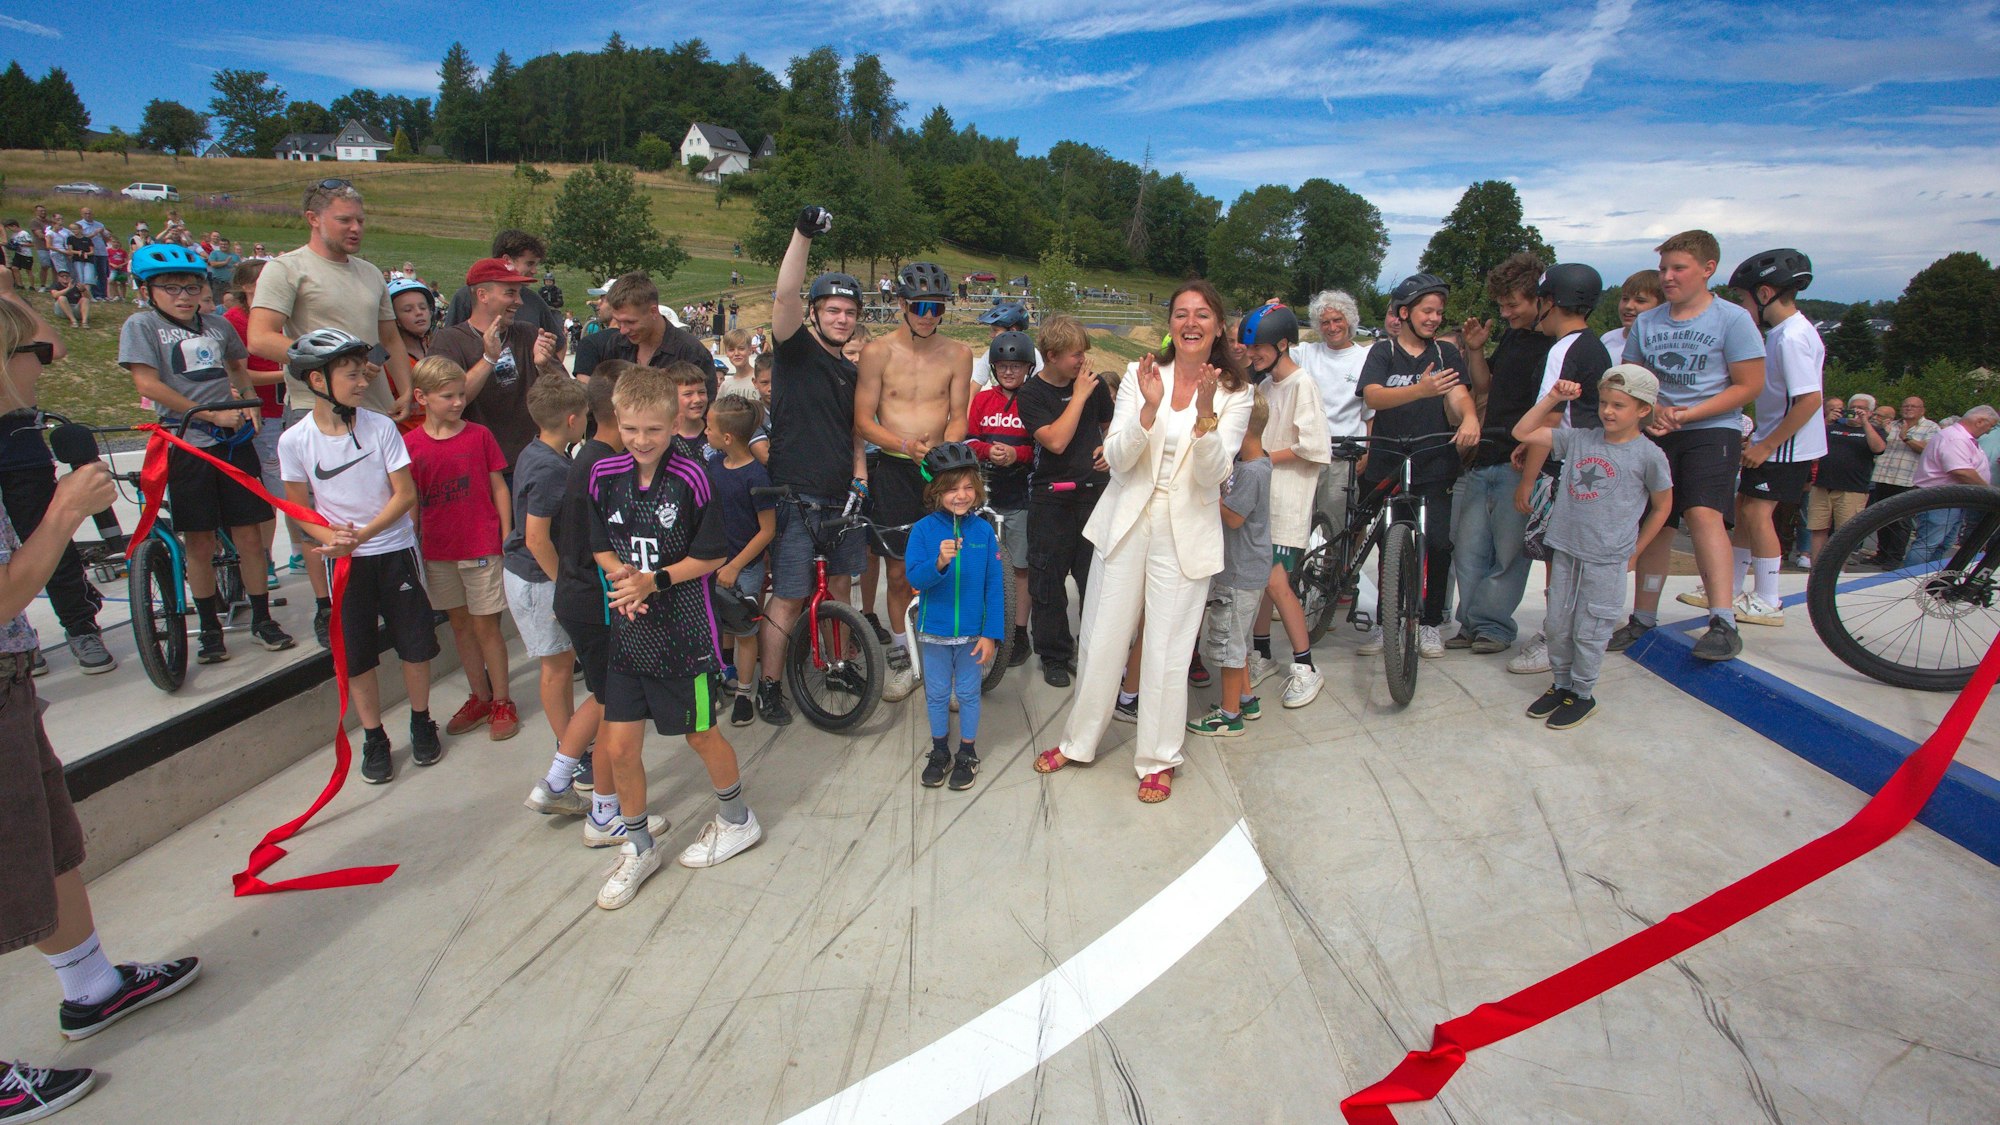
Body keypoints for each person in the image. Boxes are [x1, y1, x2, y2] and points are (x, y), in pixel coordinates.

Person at [0, 431, 201, 1121]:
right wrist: (63, 513)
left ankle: (93, 986)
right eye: (28, 352)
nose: (42, 365)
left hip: (8, 678)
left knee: (52, 844)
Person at [1034, 280, 1253, 805]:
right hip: (1127, 521)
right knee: (1102, 636)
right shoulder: (1140, 374)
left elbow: (1214, 475)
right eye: (1181, 313)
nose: (1191, 323)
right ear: (1170, 324)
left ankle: (1157, 758)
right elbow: (1118, 456)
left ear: (1218, 326)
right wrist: (1150, 411)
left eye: (1203, 314)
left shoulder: (1235, 392)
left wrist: (1204, 418)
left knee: (1167, 651)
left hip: (1185, 531)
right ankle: (1079, 740)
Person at [588, 367, 761, 911]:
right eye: (632, 429)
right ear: (618, 420)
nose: (642, 441)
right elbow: (599, 542)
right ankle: (639, 845)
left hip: (685, 633)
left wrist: (654, 580)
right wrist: (624, 580)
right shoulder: (603, 474)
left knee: (701, 735)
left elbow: (711, 555)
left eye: (654, 431)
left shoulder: (692, 478)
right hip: (630, 630)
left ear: (674, 423)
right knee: (617, 748)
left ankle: (737, 820)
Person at [279, 329, 441, 784]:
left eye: (361, 373)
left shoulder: (380, 426)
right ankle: (373, 736)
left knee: (415, 645)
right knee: (358, 655)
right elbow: (297, 506)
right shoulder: (295, 440)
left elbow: (404, 494)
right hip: (345, 562)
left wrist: (362, 535)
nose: (360, 382)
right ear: (316, 381)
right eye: (350, 375)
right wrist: (330, 538)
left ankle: (421, 719)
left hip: (392, 550)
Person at [119, 244, 292, 662]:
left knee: (250, 535)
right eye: (170, 287)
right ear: (148, 290)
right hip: (187, 442)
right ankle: (209, 628)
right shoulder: (141, 326)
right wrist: (210, 415)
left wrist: (248, 398)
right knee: (198, 542)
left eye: (192, 286)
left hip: (232, 440)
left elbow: (237, 367)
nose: (183, 295)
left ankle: (261, 617)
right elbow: (148, 384)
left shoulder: (216, 325)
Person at [1613, 230, 1767, 663]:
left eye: (1678, 268)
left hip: (1711, 429)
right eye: (1663, 269)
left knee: (1702, 513)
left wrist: (1689, 413)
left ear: (1707, 269)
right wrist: (1655, 407)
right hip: (1657, 428)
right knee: (1655, 522)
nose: (1668, 277)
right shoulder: (1648, 322)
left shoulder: (1732, 319)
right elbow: (1632, 376)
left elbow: (1749, 384)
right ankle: (1642, 615)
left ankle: (1722, 619)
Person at [755, 207, 868, 727]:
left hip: (841, 498)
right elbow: (783, 298)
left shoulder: (851, 372)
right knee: (791, 596)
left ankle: (840, 664)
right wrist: (801, 233)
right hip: (796, 497)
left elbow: (855, 434)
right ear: (817, 314)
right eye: (832, 310)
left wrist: (860, 478)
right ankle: (771, 687)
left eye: (849, 312)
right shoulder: (794, 352)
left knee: (842, 590)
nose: (841, 319)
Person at [1512, 366, 1674, 728]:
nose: (1608, 411)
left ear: (1644, 409)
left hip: (1606, 559)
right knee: (1557, 624)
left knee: (1591, 629)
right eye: (1604, 403)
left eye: (1619, 405)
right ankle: (1561, 683)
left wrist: (1636, 551)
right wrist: (1553, 397)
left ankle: (1582, 693)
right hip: (1567, 548)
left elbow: (1663, 506)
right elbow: (1522, 432)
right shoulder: (1580, 439)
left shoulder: (1649, 456)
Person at [539, 359, 653, 845]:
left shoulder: (588, 455)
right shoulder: (606, 466)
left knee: (604, 696)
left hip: (578, 597)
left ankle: (559, 777)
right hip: (598, 601)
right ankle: (605, 814)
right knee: (619, 710)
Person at [854, 260, 974, 703]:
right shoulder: (877, 353)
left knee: (951, 568)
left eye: (938, 308)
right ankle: (905, 660)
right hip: (895, 467)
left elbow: (958, 414)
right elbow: (863, 421)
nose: (928, 314)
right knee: (900, 572)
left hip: (939, 470)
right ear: (902, 303)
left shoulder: (959, 353)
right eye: (921, 305)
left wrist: (947, 455)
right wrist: (905, 444)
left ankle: (950, 664)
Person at [1699, 250, 1827, 627]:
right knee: (1744, 508)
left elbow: (1809, 400)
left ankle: (1768, 598)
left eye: (1743, 297)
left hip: (1786, 445)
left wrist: (1768, 444)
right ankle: (1734, 587)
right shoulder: (1782, 333)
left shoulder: (1791, 337)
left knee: (1757, 513)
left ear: (1766, 293)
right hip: (1775, 438)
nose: (1741, 305)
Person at [1358, 273, 1481, 658]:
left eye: (1439, 312)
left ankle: (1429, 623)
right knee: (1387, 540)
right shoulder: (1383, 352)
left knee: (1438, 543)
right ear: (1405, 312)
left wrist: (1471, 419)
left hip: (1433, 460)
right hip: (1388, 460)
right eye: (1427, 310)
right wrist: (1420, 390)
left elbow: (1459, 395)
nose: (1434, 318)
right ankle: (1385, 622)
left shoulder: (1445, 354)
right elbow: (1375, 396)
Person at [1504, 264, 1613, 674]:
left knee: (1557, 559)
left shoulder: (1563, 349)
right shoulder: (1593, 346)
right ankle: (1563, 632)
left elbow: (1550, 419)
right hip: (1587, 463)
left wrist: (1529, 481)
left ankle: (1556, 637)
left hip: (1564, 467)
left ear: (1550, 302)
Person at [404, 356, 518, 743]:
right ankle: (480, 696)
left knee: (487, 625)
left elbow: (499, 485)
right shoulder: (411, 446)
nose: (457, 403)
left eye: (460, 395)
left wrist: (506, 532)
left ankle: (502, 699)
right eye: (447, 396)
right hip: (439, 550)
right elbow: (412, 501)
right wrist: (415, 544)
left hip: (481, 544)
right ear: (422, 397)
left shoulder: (479, 436)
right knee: (460, 624)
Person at [1450, 254, 1553, 658]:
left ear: (1540, 299)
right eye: (1502, 305)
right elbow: (1486, 388)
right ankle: (1471, 623)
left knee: (1508, 553)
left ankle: (1494, 626)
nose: (1506, 312)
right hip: (1487, 454)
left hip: (1518, 460)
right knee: (1469, 547)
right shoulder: (1511, 337)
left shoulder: (1552, 346)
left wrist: (1532, 460)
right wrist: (1475, 351)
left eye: (1514, 304)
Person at [247, 180, 415, 422]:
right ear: (313, 218)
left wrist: (406, 390)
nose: (356, 228)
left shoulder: (371, 273)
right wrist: (336, 364)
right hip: (315, 408)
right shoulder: (286, 269)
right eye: (344, 220)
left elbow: (389, 338)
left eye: (361, 220)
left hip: (375, 408)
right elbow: (260, 338)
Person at [1237, 305, 1327, 707]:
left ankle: (1306, 666)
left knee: (1274, 582)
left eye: (1258, 347)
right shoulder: (1270, 384)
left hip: (1285, 500)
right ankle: (1261, 653)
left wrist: (1264, 458)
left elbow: (1314, 445)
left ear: (1284, 344)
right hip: (1263, 500)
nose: (1252, 354)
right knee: (1259, 580)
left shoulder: (1301, 385)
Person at [1017, 314, 1113, 687]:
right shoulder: (1032, 394)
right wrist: (1080, 396)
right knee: (1047, 582)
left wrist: (1110, 448)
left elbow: (1108, 426)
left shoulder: (1094, 386)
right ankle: (1054, 654)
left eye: (1084, 354)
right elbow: (1055, 440)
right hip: (1051, 499)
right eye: (1075, 355)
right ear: (1052, 356)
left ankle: (1093, 652)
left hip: (1093, 495)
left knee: (1095, 580)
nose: (1082, 362)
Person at [906, 442, 1005, 791]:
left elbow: (995, 587)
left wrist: (991, 634)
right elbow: (915, 579)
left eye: (967, 487)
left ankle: (967, 752)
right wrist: (939, 563)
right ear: (936, 491)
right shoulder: (923, 531)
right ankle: (939, 750)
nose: (960, 495)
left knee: (968, 694)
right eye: (951, 488)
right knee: (935, 695)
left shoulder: (982, 533)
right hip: (934, 632)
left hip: (971, 636)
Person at [505, 375, 589, 766]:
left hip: (535, 576)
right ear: (573, 420)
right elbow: (537, 538)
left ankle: (571, 738)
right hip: (539, 580)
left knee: (560, 661)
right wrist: (565, 585)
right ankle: (568, 748)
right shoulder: (552, 469)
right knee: (556, 667)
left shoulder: (536, 451)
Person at [1188, 390, 1274, 737]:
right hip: (1244, 568)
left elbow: (1235, 519)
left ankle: (1229, 715)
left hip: (1239, 572)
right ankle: (1246, 698)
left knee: (1227, 645)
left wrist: (1208, 494)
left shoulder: (1252, 472)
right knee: (1236, 639)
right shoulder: (1251, 463)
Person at [427, 258, 568, 468]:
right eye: (510, 293)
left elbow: (568, 391)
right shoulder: (449, 341)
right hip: (476, 464)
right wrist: (488, 359)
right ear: (482, 295)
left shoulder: (528, 333)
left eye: (519, 293)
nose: (519, 301)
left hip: (529, 461)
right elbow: (447, 403)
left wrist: (544, 365)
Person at [704, 393, 777, 728]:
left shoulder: (757, 477)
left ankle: (745, 693)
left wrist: (735, 566)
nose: (705, 432)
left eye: (709, 427)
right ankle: (724, 675)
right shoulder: (714, 466)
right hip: (713, 565)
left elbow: (766, 531)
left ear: (727, 437)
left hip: (743, 569)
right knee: (720, 626)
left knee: (745, 631)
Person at [965, 330, 1036, 667]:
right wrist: (986, 449)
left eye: (1016, 366)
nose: (1009, 372)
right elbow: (968, 439)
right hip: (986, 493)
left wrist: (1017, 453)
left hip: (1020, 494)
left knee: (1020, 566)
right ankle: (982, 624)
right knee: (981, 562)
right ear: (994, 367)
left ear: (1028, 368)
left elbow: (1039, 447)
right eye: (1003, 366)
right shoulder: (983, 400)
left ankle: (1020, 631)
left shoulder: (1033, 399)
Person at [222, 260, 293, 584]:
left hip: (284, 410)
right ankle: (264, 558)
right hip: (261, 415)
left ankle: (295, 551)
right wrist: (290, 373)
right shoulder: (234, 321)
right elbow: (239, 372)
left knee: (293, 486)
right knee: (275, 490)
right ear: (248, 287)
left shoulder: (279, 318)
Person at [1294, 289, 1372, 535]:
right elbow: (1274, 350)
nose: (1332, 327)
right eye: (1325, 322)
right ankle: (1294, 574)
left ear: (1349, 320)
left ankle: (1330, 574)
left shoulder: (1365, 358)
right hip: (1305, 456)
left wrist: (1366, 452)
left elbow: (1370, 414)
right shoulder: (1307, 353)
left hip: (1342, 458)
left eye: (1337, 320)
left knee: (1337, 532)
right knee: (1296, 527)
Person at [571, 272, 715, 391]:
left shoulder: (692, 353)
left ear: (653, 311)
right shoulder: (616, 345)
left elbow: (703, 416)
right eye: (618, 321)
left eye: (630, 322)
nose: (623, 330)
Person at [1906, 405, 1998, 565]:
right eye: (1990, 426)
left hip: (1954, 499)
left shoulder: (1963, 438)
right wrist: (1989, 492)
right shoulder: (1955, 438)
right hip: (1942, 499)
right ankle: (1906, 581)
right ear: (1979, 421)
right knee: (1929, 544)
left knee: (1942, 544)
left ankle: (1924, 580)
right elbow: (1961, 471)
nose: (1989, 431)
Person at [443, 230, 566, 344]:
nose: (534, 271)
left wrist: (542, 366)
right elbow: (449, 343)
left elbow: (559, 345)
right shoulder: (466, 296)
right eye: (529, 264)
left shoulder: (534, 300)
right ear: (507, 260)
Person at [1864, 396, 1941, 568]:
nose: (1908, 409)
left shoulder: (1931, 427)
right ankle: (1881, 553)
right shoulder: (1892, 425)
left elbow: (1927, 450)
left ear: (1922, 410)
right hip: (1884, 476)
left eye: (1913, 406)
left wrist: (1906, 438)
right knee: (1882, 517)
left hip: (1907, 479)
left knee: (1901, 520)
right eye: (1905, 406)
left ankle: (1895, 557)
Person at [1809, 394, 1885, 563]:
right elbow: (1810, 440)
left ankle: (1836, 571)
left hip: (1852, 489)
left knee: (1844, 534)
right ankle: (1815, 569)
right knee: (1817, 528)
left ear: (1871, 412)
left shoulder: (1874, 431)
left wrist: (1864, 422)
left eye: (1863, 408)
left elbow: (1878, 448)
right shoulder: (1832, 426)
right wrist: (1827, 420)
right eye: (1854, 407)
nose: (1857, 411)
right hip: (1823, 485)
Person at [970, 302, 1041, 388]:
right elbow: (974, 387)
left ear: (1013, 331)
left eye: (995, 330)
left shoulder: (1032, 354)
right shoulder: (991, 353)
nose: (991, 335)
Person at [1600, 270, 1662, 363]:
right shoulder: (1608, 338)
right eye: (1625, 299)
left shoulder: (1660, 343)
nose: (1628, 306)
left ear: (1661, 306)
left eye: (1640, 301)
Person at [665, 362, 713, 462]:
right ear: (670, 397)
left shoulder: (718, 432)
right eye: (688, 394)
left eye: (702, 392)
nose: (697, 399)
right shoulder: (664, 438)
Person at [205, 237, 242, 306]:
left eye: (225, 244)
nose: (223, 246)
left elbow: (240, 267)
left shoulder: (235, 256)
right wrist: (225, 262)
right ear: (219, 245)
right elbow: (212, 264)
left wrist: (237, 267)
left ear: (229, 245)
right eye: (221, 244)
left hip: (231, 284)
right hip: (219, 283)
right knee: (218, 302)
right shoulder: (215, 253)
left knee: (232, 302)